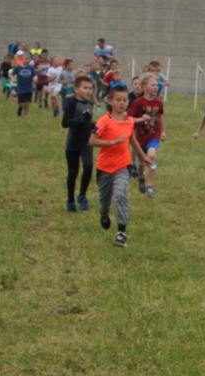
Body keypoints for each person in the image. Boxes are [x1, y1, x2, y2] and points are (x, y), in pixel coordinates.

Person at [88, 84, 149, 247]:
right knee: (104, 201)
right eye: (118, 100)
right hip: (104, 168)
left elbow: (132, 140)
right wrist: (113, 142)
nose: (122, 103)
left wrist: (143, 157)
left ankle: (121, 232)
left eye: (125, 100)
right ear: (110, 101)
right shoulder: (104, 121)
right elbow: (92, 141)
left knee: (120, 195)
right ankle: (104, 214)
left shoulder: (129, 121)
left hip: (123, 166)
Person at [61, 74, 97, 213]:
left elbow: (87, 122)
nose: (89, 91)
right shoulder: (72, 103)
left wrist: (94, 126)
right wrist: (80, 119)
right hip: (73, 143)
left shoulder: (90, 103)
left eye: (90, 88)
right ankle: (70, 199)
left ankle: (82, 195)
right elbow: (65, 123)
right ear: (76, 89)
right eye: (85, 88)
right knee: (73, 172)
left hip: (86, 142)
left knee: (88, 167)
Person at [128, 75, 165, 198]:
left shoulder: (158, 102)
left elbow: (160, 117)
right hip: (140, 137)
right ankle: (141, 177)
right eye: (153, 85)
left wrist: (163, 131)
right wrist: (141, 119)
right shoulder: (138, 102)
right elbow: (130, 119)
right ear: (144, 87)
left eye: (157, 85)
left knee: (151, 156)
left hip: (154, 135)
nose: (156, 87)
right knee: (141, 164)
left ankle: (150, 186)